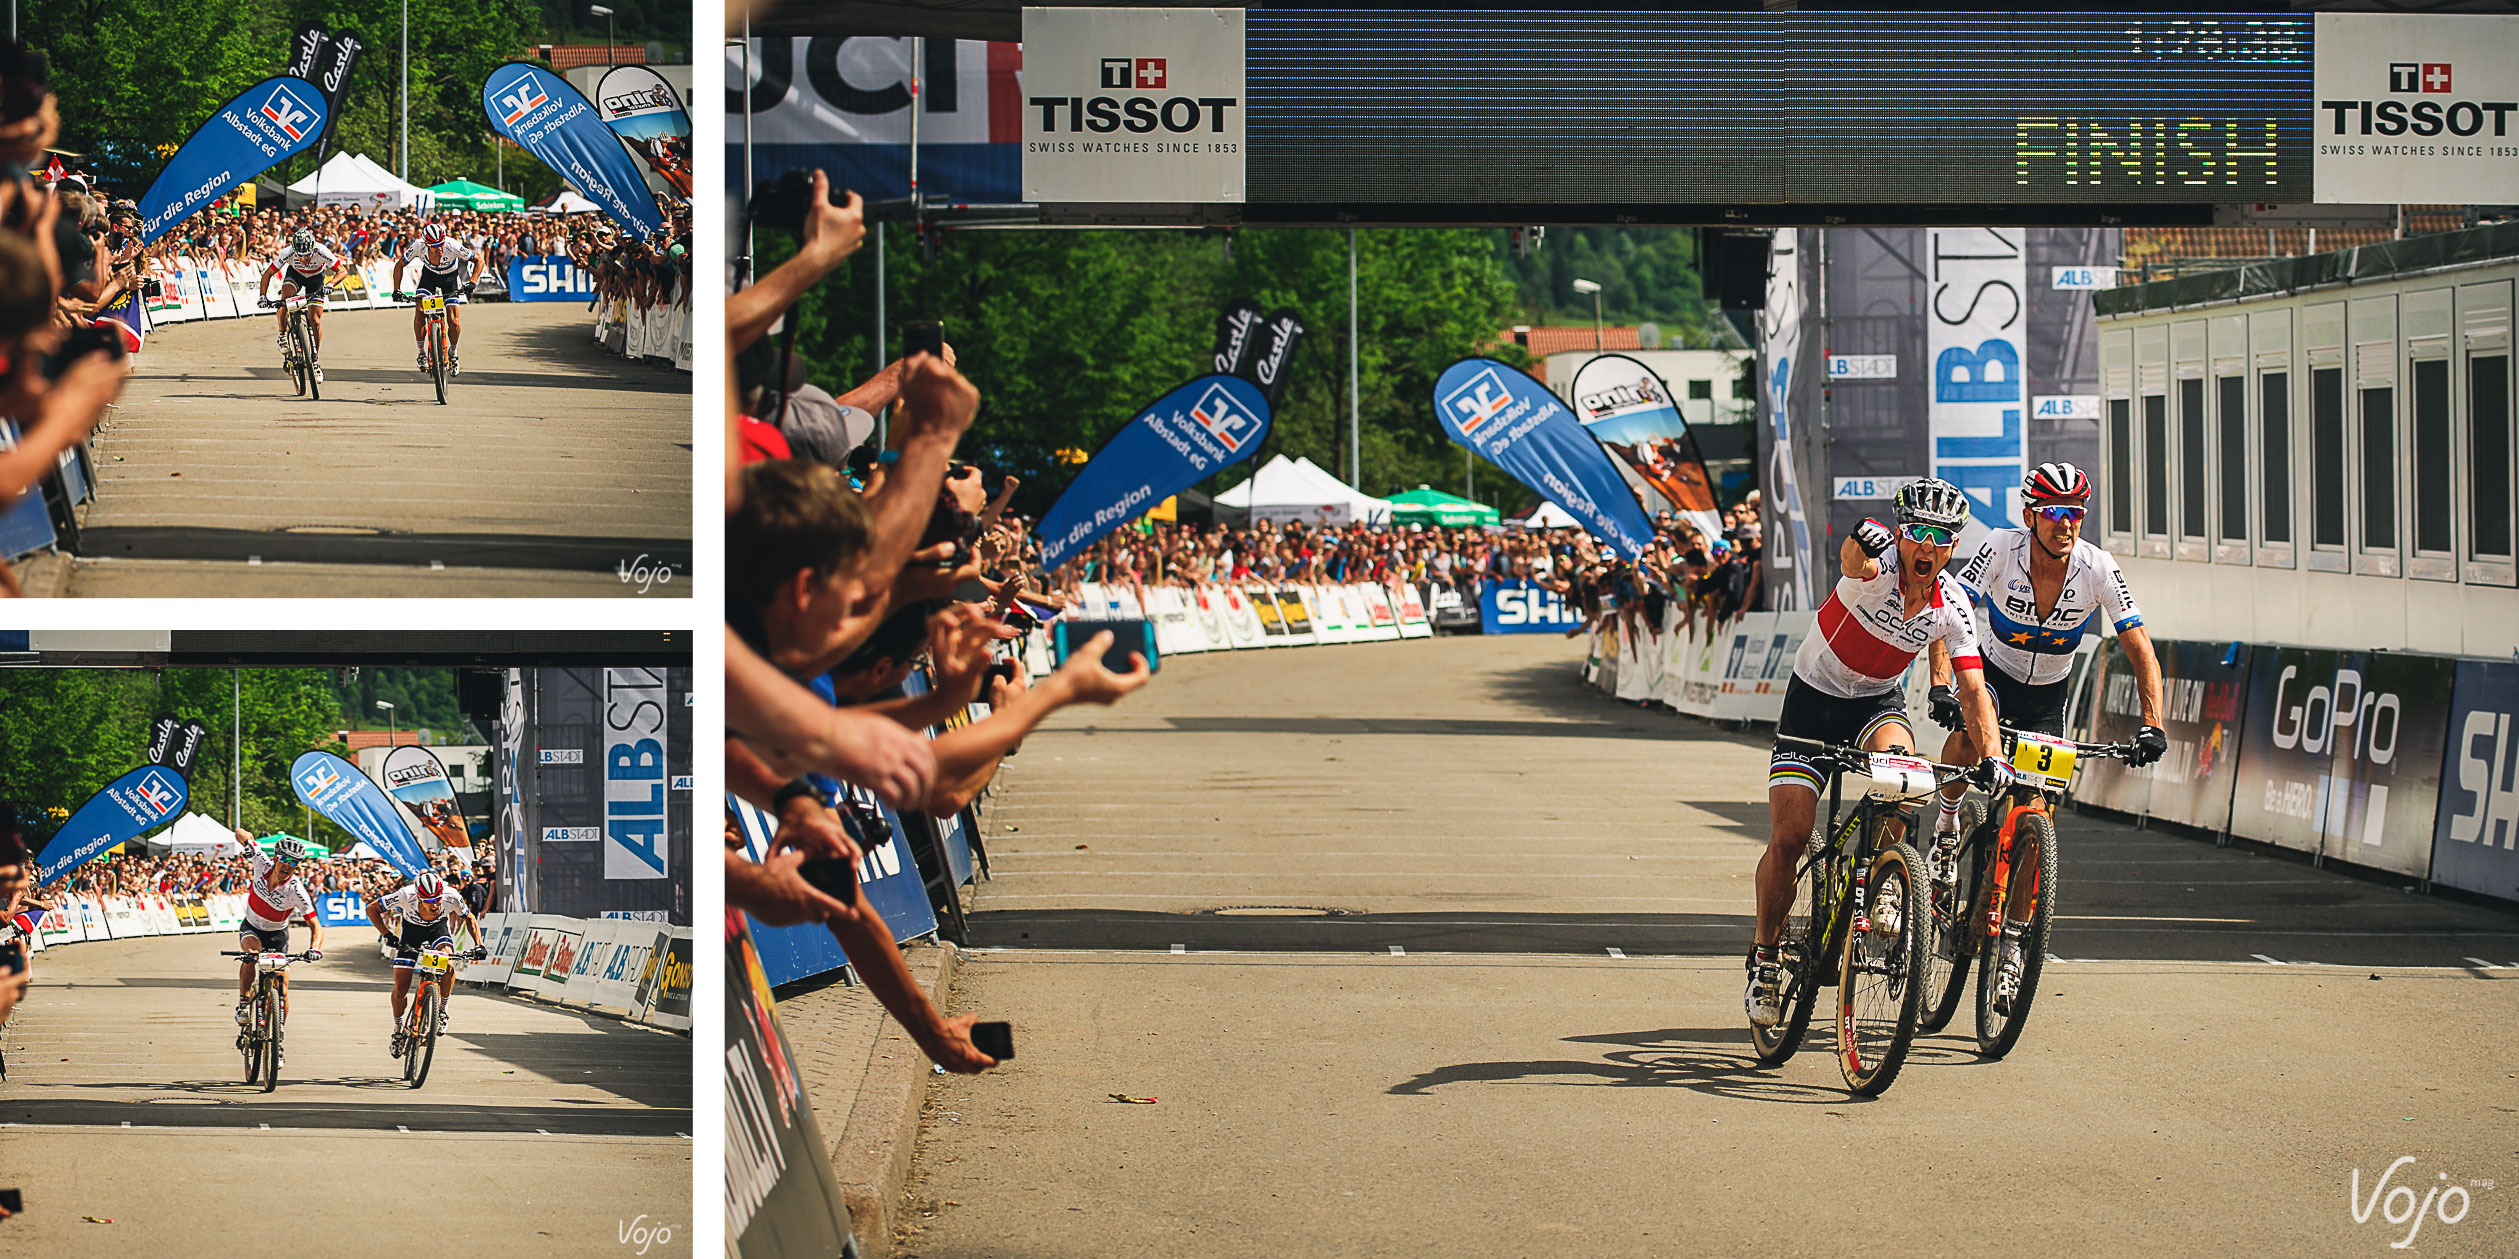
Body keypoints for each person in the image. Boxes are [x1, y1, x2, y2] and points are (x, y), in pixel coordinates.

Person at [1746, 477, 2009, 1029]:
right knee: (1790, 836)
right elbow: (1851, 561)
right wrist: (1862, 541)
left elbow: (1974, 689)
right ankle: (1765, 956)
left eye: (1941, 538)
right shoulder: (1878, 567)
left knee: (1908, 780)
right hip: (1813, 700)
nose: (1926, 547)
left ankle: (1888, 881)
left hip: (1875, 703)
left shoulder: (1952, 605)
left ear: (1954, 545)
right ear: (1901, 534)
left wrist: (1993, 757)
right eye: (1916, 533)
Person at [1925, 461, 2168, 868]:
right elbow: (1947, 608)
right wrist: (1940, 685)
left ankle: (2019, 928)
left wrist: (2153, 724)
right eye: (2054, 512)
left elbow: (2140, 648)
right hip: (1994, 680)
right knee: (1969, 737)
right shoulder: (2002, 547)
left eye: (2075, 513)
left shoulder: (2098, 567)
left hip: (2048, 700)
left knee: (2037, 821)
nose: (2066, 524)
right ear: (2029, 516)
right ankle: (1946, 827)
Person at [364, 869, 480, 1057]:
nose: (434, 904)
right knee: (401, 988)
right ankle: (398, 1029)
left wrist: (479, 945)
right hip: (411, 933)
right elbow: (371, 909)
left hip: (438, 931)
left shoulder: (451, 895)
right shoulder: (404, 895)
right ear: (418, 897)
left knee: (448, 963)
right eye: (428, 901)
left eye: (437, 899)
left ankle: (442, 1010)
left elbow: (469, 918)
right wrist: (387, 934)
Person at [233, 832, 325, 1060]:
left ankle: (279, 1038)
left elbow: (316, 926)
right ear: (276, 857)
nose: (288, 866)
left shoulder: (296, 890)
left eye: (295, 863)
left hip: (277, 935)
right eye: (285, 859)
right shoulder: (260, 861)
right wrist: (246, 843)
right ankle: (244, 1004)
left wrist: (315, 948)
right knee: (251, 955)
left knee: (282, 987)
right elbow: (240, 832)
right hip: (252, 927)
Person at [393, 221, 483, 376]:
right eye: (435, 247)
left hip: (450, 278)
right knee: (420, 311)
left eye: (441, 244)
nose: (439, 249)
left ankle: (453, 354)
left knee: (453, 321)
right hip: (429, 277)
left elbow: (479, 260)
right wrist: (396, 290)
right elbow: (399, 265)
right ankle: (421, 353)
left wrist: (472, 282)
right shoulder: (418, 246)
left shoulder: (452, 245)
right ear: (426, 245)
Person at [259, 228, 342, 379]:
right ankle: (282, 335)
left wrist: (330, 284)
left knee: (315, 321)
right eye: (300, 255)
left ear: (313, 248)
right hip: (295, 275)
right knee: (284, 300)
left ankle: (314, 360)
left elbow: (342, 271)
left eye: (307, 255)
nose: (304, 259)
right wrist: (262, 296)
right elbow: (268, 273)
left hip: (316, 278)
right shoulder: (287, 252)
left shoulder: (321, 250)